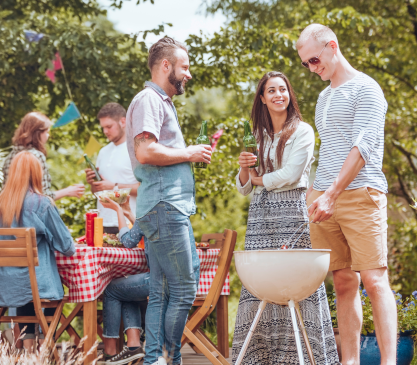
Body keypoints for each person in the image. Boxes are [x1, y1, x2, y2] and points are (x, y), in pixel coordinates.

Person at [297, 24, 394, 365]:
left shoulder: (367, 89)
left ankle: (388, 362)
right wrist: (313, 196)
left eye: (314, 59)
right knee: (342, 282)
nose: (312, 68)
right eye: (306, 64)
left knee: (374, 279)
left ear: (332, 46)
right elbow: (330, 152)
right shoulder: (324, 97)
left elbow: (363, 146)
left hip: (360, 194)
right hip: (325, 196)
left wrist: (333, 195)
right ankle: (349, 362)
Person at [231, 71, 340, 365]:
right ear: (263, 99)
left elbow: (291, 175)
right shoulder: (257, 136)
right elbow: (243, 186)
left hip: (292, 211)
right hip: (260, 215)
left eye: (283, 90)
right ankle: (258, 358)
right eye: (272, 91)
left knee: (298, 282)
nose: (279, 95)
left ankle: (307, 357)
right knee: (260, 281)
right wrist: (244, 168)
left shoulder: (302, 131)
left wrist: (256, 180)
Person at [125, 36, 211, 365]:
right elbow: (145, 151)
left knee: (160, 293)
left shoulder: (162, 101)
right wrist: (188, 153)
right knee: (186, 289)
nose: (188, 74)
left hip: (162, 207)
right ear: (166, 66)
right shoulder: (150, 99)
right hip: (165, 208)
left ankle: (153, 360)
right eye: (184, 67)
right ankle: (169, 359)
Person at [0, 151, 76, 351]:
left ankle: (29, 351)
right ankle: (43, 351)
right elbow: (68, 248)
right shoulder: (41, 204)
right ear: (37, 174)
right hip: (37, 287)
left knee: (25, 286)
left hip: (1, 287)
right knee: (40, 289)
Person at [96, 196, 148, 365]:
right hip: (180, 280)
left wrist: (118, 210)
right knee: (125, 285)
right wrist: (127, 213)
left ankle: (110, 352)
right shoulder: (168, 209)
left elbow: (127, 241)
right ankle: (133, 347)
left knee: (113, 289)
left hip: (159, 280)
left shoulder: (152, 208)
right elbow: (144, 229)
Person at [3, 111, 85, 201]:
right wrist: (67, 191)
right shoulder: (36, 156)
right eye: (47, 132)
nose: (48, 136)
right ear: (37, 134)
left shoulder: (10, 156)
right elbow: (42, 196)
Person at [85, 102, 140, 234]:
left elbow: (144, 188)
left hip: (130, 221)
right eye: (103, 127)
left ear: (123, 121)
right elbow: (96, 192)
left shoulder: (136, 150)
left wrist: (114, 186)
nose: (105, 131)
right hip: (103, 222)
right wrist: (93, 183)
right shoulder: (103, 151)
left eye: (109, 126)